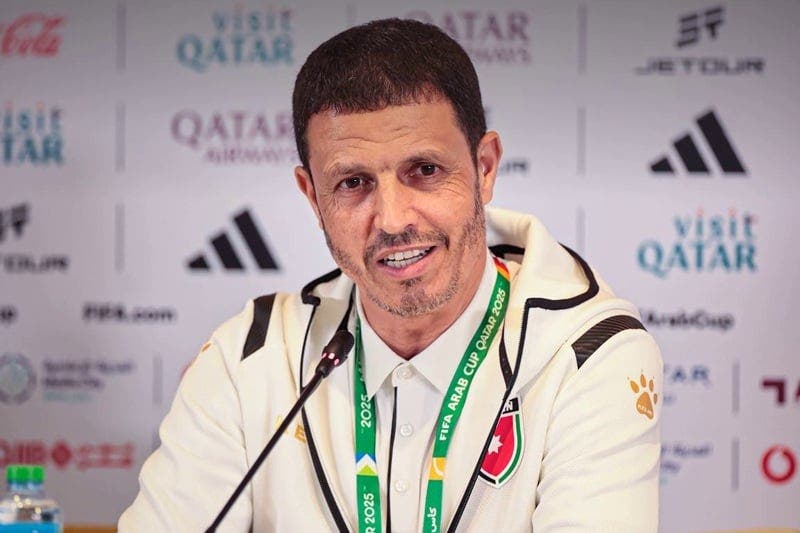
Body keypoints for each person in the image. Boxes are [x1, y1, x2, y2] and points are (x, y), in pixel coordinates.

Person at [119, 18, 662, 532]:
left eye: (424, 171)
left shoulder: (587, 354)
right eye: (353, 183)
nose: (394, 220)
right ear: (313, 197)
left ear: (485, 167)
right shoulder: (250, 358)